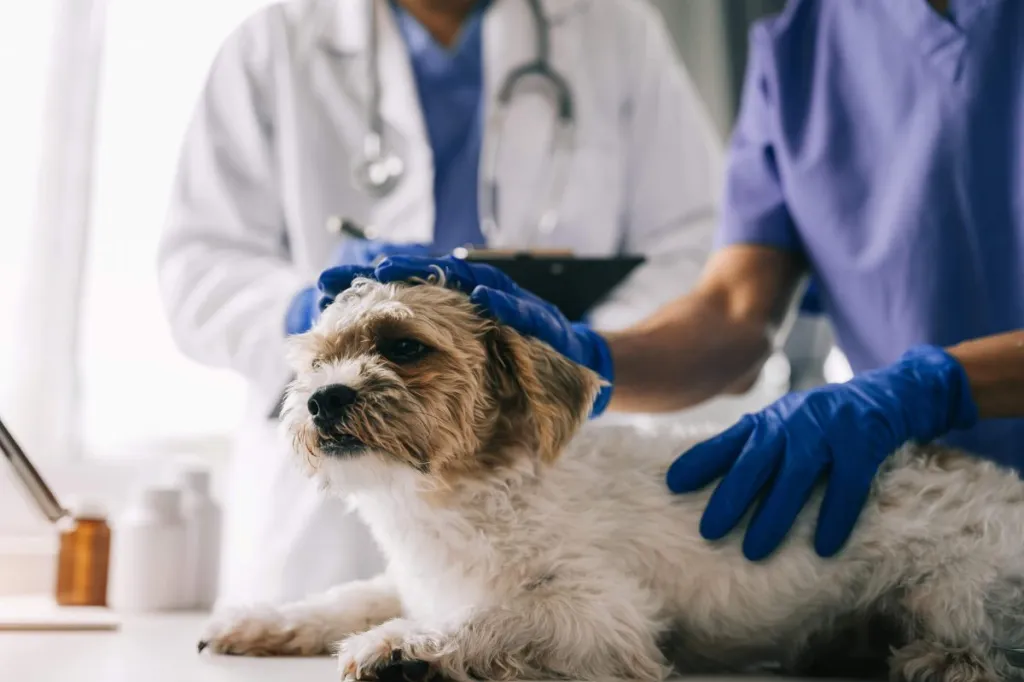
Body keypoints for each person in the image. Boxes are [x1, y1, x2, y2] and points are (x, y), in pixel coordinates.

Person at [319, 0, 1024, 565]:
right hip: (910, 510)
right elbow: (731, 314)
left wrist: (932, 387)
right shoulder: (804, 43)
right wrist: (587, 357)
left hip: (954, 517)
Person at [157, 0, 723, 604]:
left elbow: (696, 246)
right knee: (321, 635)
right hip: (321, 528)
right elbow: (199, 269)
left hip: (536, 472)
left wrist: (566, 351)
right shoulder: (272, 43)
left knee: (551, 632)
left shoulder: (613, 30)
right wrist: (303, 313)